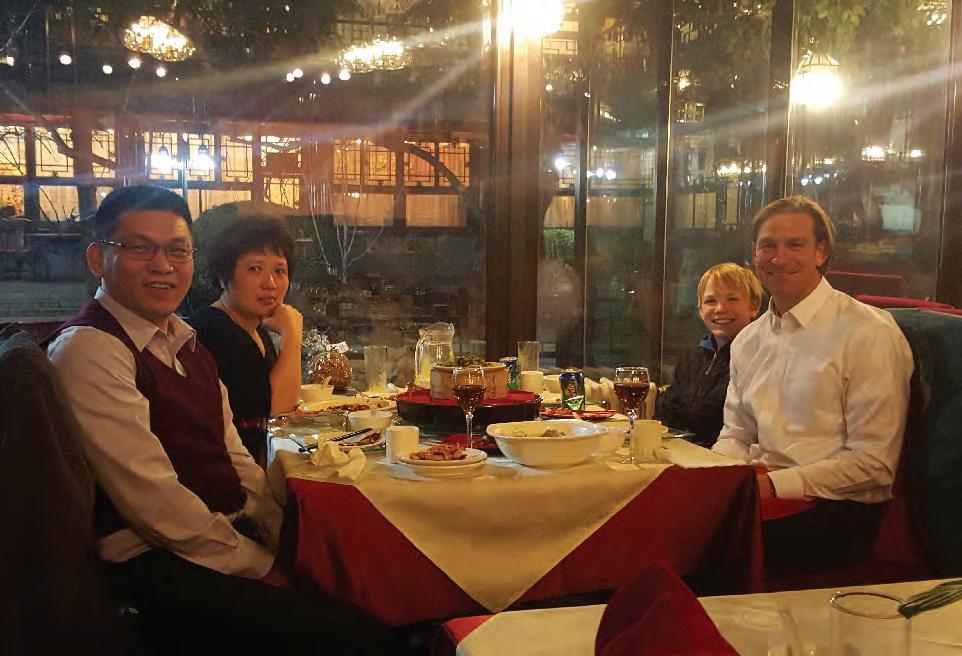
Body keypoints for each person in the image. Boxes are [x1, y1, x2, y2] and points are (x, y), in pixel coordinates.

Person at [46, 185, 400, 654]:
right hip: (155, 567)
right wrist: (263, 566)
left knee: (381, 592)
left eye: (177, 250)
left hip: (219, 538)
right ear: (97, 258)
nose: (162, 265)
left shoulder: (186, 343)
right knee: (366, 637)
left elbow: (235, 459)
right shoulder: (91, 348)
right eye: (139, 248)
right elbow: (155, 505)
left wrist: (284, 538)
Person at [712, 196, 913, 571]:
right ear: (754, 255)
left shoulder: (867, 332)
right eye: (768, 245)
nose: (779, 257)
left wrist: (773, 486)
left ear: (821, 251)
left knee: (690, 551)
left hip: (837, 512)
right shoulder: (748, 340)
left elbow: (874, 465)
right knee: (658, 520)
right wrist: (713, 482)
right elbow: (735, 435)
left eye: (795, 244)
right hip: (762, 496)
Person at [189, 213, 302, 466]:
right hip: (223, 474)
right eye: (254, 269)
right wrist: (293, 333)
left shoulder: (254, 329)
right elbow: (275, 410)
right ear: (223, 276)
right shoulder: (213, 332)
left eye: (279, 271)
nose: (270, 283)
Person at [655, 263, 763, 446]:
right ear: (700, 309)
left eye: (732, 299)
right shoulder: (691, 357)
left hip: (728, 457)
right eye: (711, 301)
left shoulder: (760, 357)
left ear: (754, 306)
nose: (720, 308)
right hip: (680, 454)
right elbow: (667, 413)